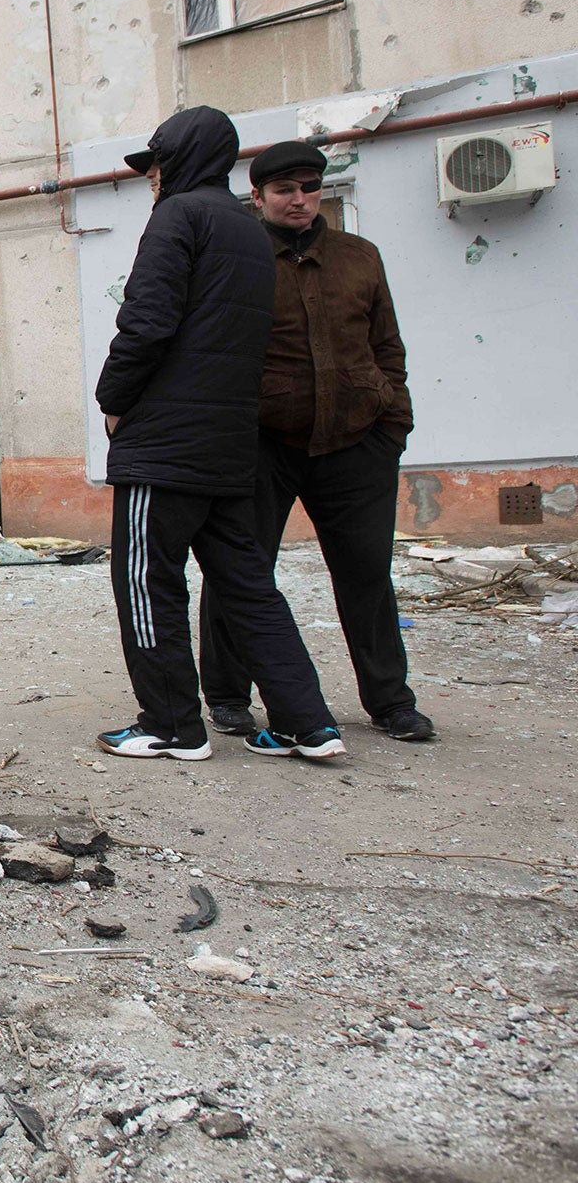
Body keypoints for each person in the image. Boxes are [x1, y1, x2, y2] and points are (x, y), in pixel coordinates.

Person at [95, 107, 346, 764]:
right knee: (247, 585)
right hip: (232, 442)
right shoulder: (244, 227)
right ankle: (306, 723)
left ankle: (172, 725)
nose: (150, 178)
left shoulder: (178, 217)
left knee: (148, 582)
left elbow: (147, 321)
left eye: (155, 164)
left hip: (167, 443)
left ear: (180, 158)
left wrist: (113, 400)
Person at [199, 141, 433, 742]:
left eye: (308, 186)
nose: (299, 199)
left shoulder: (360, 257)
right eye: (284, 190)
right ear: (259, 197)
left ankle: (389, 700)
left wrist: (393, 423)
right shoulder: (239, 257)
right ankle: (227, 695)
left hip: (357, 440)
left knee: (366, 572)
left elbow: (388, 345)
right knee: (242, 571)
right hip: (262, 443)